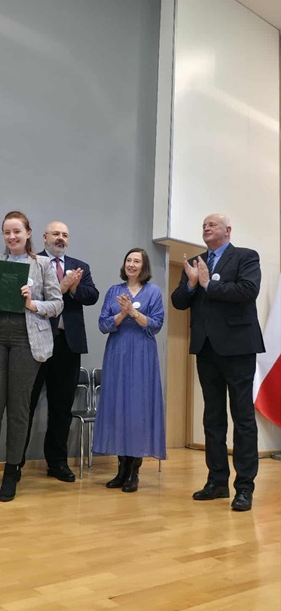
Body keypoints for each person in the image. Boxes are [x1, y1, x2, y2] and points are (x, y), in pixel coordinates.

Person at [171, 214, 265, 512]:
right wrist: (190, 284)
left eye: (212, 225)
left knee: (242, 417)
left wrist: (208, 284)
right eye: (204, 225)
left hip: (238, 348)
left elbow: (248, 291)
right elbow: (178, 301)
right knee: (212, 418)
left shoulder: (246, 257)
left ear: (228, 230)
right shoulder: (195, 262)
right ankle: (217, 482)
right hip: (206, 348)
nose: (206, 228)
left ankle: (244, 487)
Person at [0, 211, 63, 502]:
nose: (12, 236)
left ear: (28, 233)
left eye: (17, 231)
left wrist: (32, 303)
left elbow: (57, 304)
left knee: (19, 406)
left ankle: (12, 470)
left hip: (28, 337)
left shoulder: (43, 264)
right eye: (7, 232)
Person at [21, 221, 99, 482]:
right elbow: (28, 297)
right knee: (26, 404)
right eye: (56, 234)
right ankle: (16, 463)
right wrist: (61, 287)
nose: (61, 238)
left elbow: (92, 295)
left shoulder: (79, 267)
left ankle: (57, 463)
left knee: (61, 407)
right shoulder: (32, 262)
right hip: (37, 341)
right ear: (44, 237)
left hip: (68, 344)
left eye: (65, 234)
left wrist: (73, 287)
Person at [93, 248, 166, 492]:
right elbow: (103, 324)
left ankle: (134, 471)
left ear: (144, 266)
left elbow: (156, 324)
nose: (132, 264)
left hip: (142, 353)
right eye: (128, 260)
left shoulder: (153, 291)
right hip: (118, 353)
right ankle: (121, 469)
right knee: (118, 407)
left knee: (138, 408)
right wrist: (122, 314)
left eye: (137, 261)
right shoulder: (114, 291)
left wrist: (133, 313)